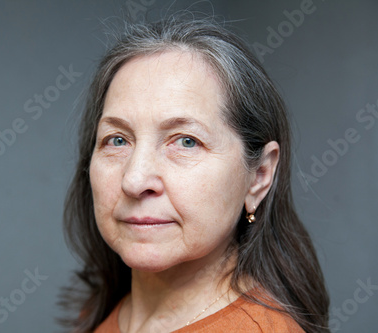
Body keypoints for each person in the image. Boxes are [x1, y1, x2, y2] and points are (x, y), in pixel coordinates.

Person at [60, 15, 330, 333]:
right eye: (117, 140)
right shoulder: (104, 315)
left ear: (259, 175)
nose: (134, 180)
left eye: (187, 141)